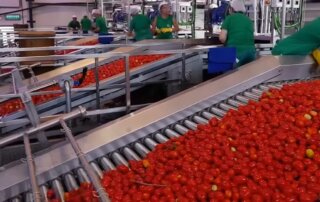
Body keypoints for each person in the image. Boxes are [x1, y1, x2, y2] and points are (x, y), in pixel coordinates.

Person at [219, 0, 256, 67]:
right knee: (249, 74)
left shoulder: (229, 18)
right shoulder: (248, 20)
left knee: (232, 73)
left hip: (237, 55)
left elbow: (222, 38)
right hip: (251, 54)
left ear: (232, 9)